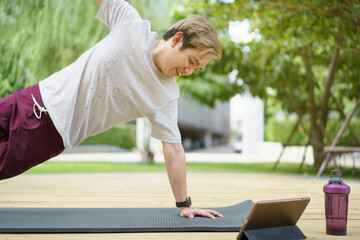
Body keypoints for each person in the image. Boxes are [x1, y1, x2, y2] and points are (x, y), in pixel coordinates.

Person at [0, 0, 223, 219]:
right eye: (191, 61)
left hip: (50, 133)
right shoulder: (130, 24)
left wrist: (184, 205)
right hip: (32, 97)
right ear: (177, 39)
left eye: (197, 68)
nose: (189, 71)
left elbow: (174, 150)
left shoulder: (165, 97)